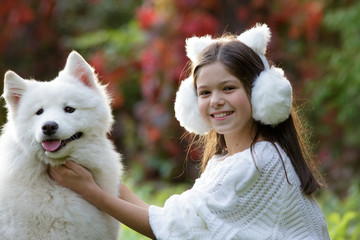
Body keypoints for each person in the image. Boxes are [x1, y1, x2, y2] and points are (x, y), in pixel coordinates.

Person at [49, 23, 330, 239]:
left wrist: (90, 191)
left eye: (228, 88)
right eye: (204, 92)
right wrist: (101, 176)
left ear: (261, 94)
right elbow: (170, 220)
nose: (215, 101)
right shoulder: (227, 161)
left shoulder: (258, 161)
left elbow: (166, 230)